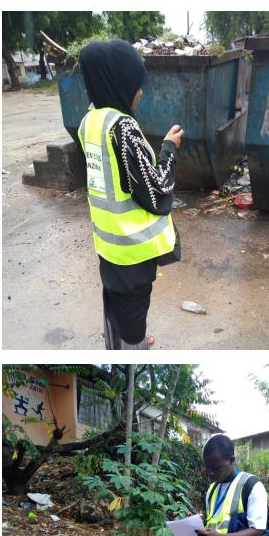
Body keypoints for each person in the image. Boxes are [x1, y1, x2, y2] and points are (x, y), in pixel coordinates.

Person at [78, 39, 184, 349]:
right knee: (134, 315)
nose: (140, 91)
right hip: (133, 251)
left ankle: (121, 343)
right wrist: (168, 149)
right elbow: (156, 191)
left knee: (115, 305)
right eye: (137, 84)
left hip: (107, 246)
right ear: (120, 83)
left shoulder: (90, 122)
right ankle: (134, 351)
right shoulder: (122, 127)